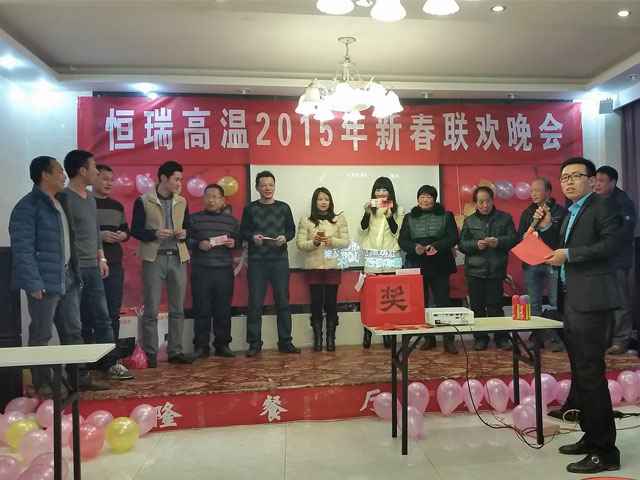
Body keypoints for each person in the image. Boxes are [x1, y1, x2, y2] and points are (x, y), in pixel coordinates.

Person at [544, 157, 622, 474]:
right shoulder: (572, 211)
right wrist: (547, 229)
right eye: (564, 178)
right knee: (581, 372)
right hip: (574, 299)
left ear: (592, 180)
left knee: (591, 373)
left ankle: (605, 451)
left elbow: (612, 245)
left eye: (576, 176)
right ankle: (591, 437)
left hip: (593, 301)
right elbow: (561, 249)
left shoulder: (603, 206)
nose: (569, 182)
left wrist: (570, 255)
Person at [9, 156, 107, 396]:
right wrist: (33, 283)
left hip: (68, 278)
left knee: (74, 330)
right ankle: (42, 383)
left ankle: (78, 378)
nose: (64, 176)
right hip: (44, 281)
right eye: (59, 171)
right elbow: (22, 249)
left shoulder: (62, 201)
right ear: (45, 175)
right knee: (41, 334)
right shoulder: (27, 206)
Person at [61, 150, 133, 380]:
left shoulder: (89, 198)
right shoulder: (64, 198)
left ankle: (110, 363)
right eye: (93, 168)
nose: (95, 171)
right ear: (82, 171)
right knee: (76, 320)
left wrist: (101, 258)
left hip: (94, 266)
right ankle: (79, 369)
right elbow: (65, 234)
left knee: (104, 317)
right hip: (73, 268)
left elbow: (93, 231)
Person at [130, 160, 193, 367]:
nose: (179, 183)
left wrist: (185, 233)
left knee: (178, 309)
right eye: (176, 179)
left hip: (178, 257)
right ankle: (150, 353)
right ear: (164, 178)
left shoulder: (182, 201)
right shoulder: (144, 200)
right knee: (151, 309)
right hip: (153, 258)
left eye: (181, 180)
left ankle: (175, 351)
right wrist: (154, 233)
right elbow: (135, 230)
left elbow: (189, 227)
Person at [240, 171, 300, 357]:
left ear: (275, 186)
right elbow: (243, 231)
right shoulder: (250, 209)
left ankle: (285, 342)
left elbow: (291, 230)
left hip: (279, 260)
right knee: (255, 303)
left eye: (271, 185)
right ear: (257, 188)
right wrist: (253, 237)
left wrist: (285, 238)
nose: (267, 188)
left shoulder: (284, 207)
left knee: (283, 302)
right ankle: (254, 344)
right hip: (257, 261)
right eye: (263, 185)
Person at [399, 185, 458, 354]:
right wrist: (414, 248)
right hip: (417, 264)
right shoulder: (409, 217)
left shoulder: (446, 215)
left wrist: (437, 246)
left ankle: (448, 339)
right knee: (421, 303)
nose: (425, 200)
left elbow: (453, 237)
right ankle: (428, 338)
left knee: (443, 302)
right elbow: (402, 240)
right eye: (422, 196)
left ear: (434, 198)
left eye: (429, 196)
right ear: (418, 199)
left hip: (440, 264)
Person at [459, 186, 517, 351]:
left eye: (488, 201)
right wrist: (475, 245)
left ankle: (501, 338)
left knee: (495, 306)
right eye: (481, 202)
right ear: (475, 203)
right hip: (474, 271)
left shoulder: (505, 218)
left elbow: (514, 239)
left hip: (496, 270)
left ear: (493, 200)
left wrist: (498, 242)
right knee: (477, 307)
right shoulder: (469, 221)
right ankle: (480, 338)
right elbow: (462, 244)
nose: (485, 205)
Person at [188, 184, 240, 358]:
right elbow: (185, 240)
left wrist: (234, 243)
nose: (211, 200)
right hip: (201, 270)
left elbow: (239, 241)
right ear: (203, 199)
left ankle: (222, 345)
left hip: (224, 270)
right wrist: (198, 244)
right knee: (201, 309)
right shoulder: (194, 219)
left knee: (223, 310)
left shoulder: (232, 221)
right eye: (208, 196)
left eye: (215, 197)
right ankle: (201, 346)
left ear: (223, 200)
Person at [296, 187, 350, 352]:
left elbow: (346, 242)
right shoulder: (306, 220)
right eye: (320, 199)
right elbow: (300, 244)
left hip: (333, 266)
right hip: (314, 267)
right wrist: (314, 242)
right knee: (316, 303)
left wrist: (331, 241)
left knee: (331, 303)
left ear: (330, 202)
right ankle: (318, 339)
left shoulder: (338, 219)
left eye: (326, 199)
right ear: (315, 202)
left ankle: (331, 339)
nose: (323, 202)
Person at [516, 177, 567, 351]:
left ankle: (555, 338)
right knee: (534, 302)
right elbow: (520, 237)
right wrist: (527, 236)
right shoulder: (527, 213)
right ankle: (537, 337)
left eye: (537, 190)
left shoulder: (560, 212)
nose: (533, 194)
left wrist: (548, 227)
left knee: (554, 301)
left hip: (552, 262)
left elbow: (563, 238)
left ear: (548, 192)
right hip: (532, 263)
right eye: (531, 191)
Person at [594, 165, 637, 355]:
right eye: (596, 180)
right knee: (603, 302)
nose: (597, 185)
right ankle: (605, 339)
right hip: (600, 260)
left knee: (620, 302)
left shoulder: (623, 201)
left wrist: (605, 244)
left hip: (618, 259)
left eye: (601, 181)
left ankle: (621, 340)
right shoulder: (595, 201)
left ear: (613, 182)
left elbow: (625, 232)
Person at [360, 176, 405, 349]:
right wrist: (366, 212)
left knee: (389, 297)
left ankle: (388, 334)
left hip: (391, 255)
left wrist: (389, 216)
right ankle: (368, 332)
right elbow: (362, 229)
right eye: (377, 190)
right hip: (372, 256)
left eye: (384, 190)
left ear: (390, 192)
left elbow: (397, 232)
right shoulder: (370, 209)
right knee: (371, 297)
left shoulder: (398, 209)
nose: (380, 193)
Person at [94, 164, 130, 359]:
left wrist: (122, 235)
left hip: (114, 263)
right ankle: (91, 358)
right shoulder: (86, 202)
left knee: (113, 312)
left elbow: (126, 230)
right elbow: (79, 233)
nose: (109, 183)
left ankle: (111, 357)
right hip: (91, 264)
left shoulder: (117, 206)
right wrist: (100, 236)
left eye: (111, 180)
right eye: (104, 179)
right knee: (90, 313)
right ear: (93, 178)